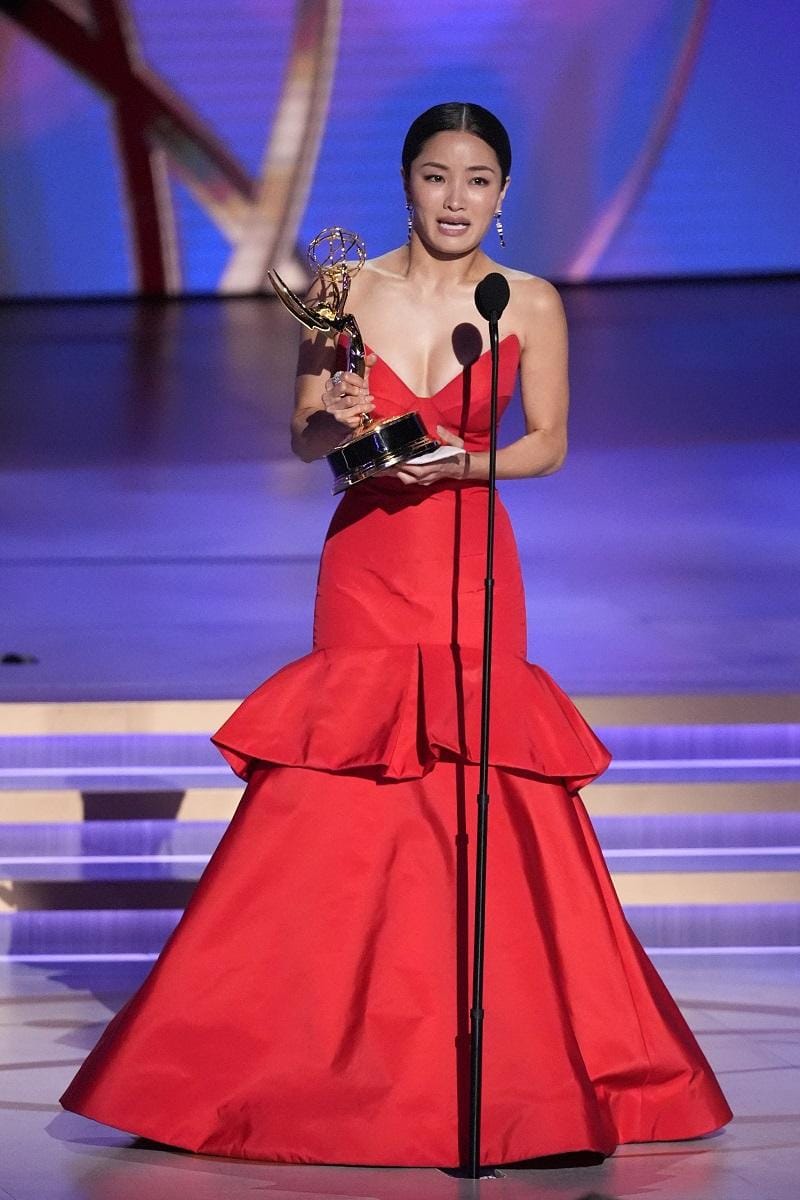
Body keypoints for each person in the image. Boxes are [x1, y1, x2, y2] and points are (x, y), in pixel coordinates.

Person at [60, 101, 732, 1167]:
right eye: (434, 176)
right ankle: (230, 1062)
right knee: (338, 789)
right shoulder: (342, 291)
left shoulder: (529, 303)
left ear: (501, 195)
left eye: (475, 179)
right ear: (406, 184)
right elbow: (303, 437)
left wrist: (461, 465)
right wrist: (335, 417)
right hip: (368, 560)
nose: (454, 198)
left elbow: (548, 444)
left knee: (483, 789)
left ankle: (522, 1072)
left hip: (467, 560)